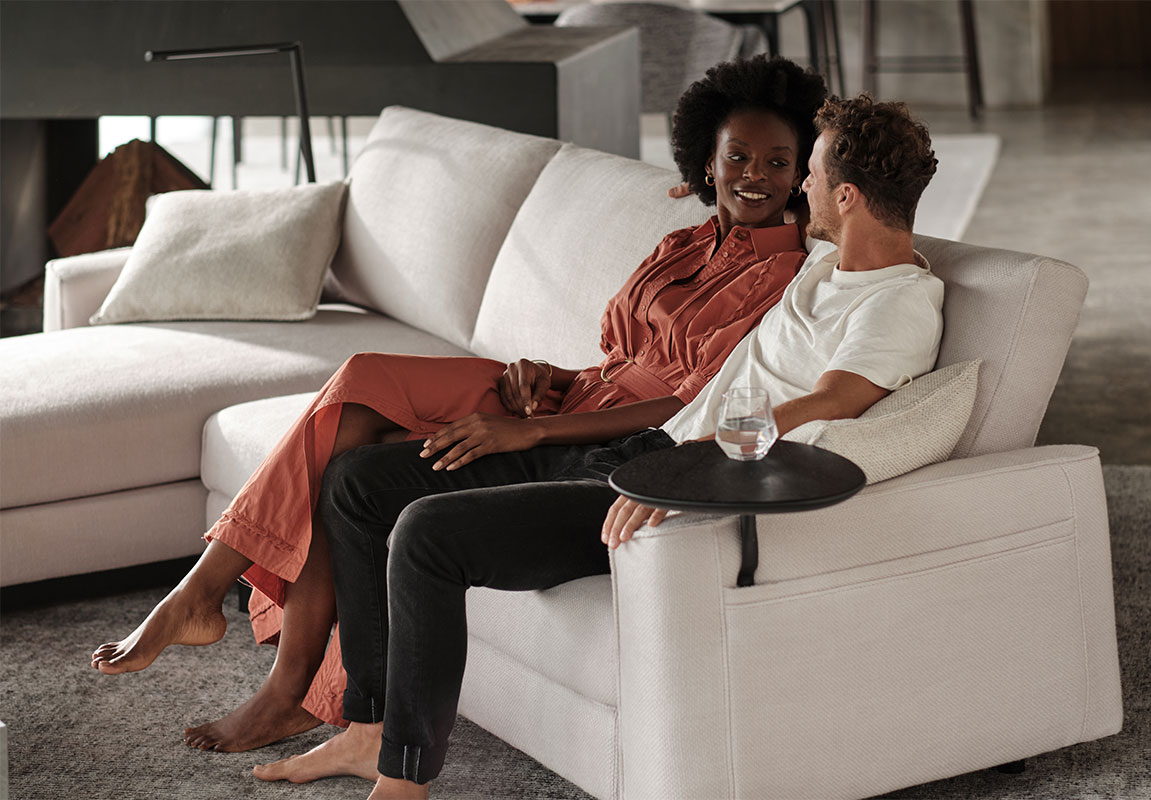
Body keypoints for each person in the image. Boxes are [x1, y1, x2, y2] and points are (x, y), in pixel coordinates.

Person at [89, 54, 828, 754]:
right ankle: (209, 602)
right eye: (739, 156)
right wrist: (541, 377)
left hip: (604, 431)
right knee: (360, 382)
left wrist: (530, 427)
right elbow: (613, 362)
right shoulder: (680, 244)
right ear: (707, 158)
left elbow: (679, 401)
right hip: (568, 395)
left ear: (800, 176)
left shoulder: (786, 277)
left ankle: (271, 669)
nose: (754, 176)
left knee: (351, 466)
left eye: (777, 163)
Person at [251, 93, 942, 800]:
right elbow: (765, 216)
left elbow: (834, 402)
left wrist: (686, 472)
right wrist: (713, 179)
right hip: (634, 444)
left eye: (814, 175)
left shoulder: (899, 303)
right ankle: (367, 729)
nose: (802, 187)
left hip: (653, 478)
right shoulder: (826, 267)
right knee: (357, 481)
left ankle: (401, 779)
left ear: (849, 196)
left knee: (426, 532)